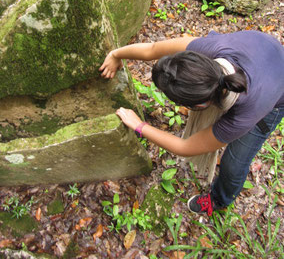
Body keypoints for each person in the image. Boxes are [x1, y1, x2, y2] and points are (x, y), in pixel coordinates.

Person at [99, 30, 284, 216]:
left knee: (234, 162)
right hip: (261, 48)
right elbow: (153, 48)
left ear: (201, 105)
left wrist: (140, 126)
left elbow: (184, 147)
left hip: (276, 90)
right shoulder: (205, 52)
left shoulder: (245, 113)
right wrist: (116, 54)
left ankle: (219, 199)